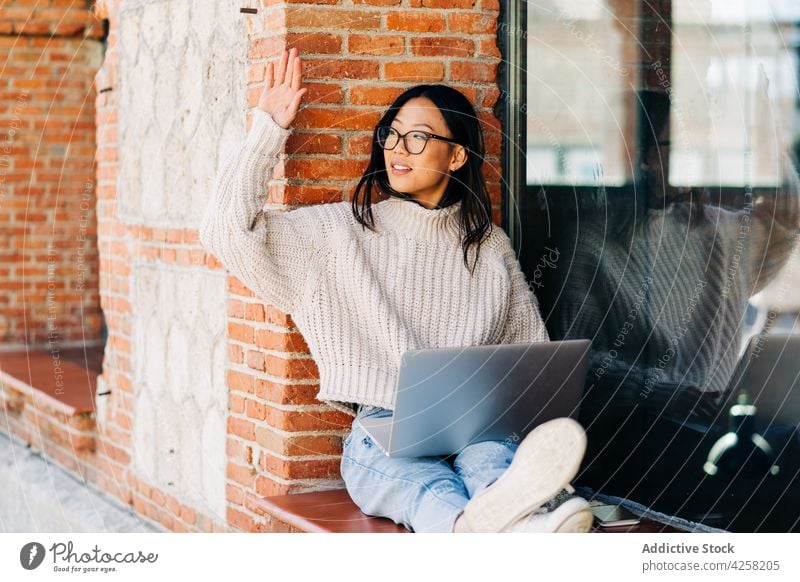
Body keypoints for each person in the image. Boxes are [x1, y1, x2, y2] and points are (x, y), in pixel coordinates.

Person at [199, 48, 594, 533]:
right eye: (392, 133)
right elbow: (224, 232)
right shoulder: (337, 234)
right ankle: (492, 526)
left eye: (419, 137)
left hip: (479, 427)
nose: (397, 148)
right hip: (382, 432)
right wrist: (267, 131)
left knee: (492, 462)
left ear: (456, 154)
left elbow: (531, 360)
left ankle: (508, 513)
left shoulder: (488, 247)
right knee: (423, 488)